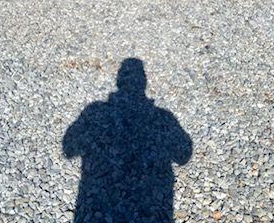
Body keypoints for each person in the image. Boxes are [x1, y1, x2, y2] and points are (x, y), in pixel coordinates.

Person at [63, 58, 192, 223]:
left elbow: (69, 148)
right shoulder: (162, 117)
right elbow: (183, 155)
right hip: (151, 201)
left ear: (118, 80)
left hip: (98, 198)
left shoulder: (95, 110)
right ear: (144, 81)